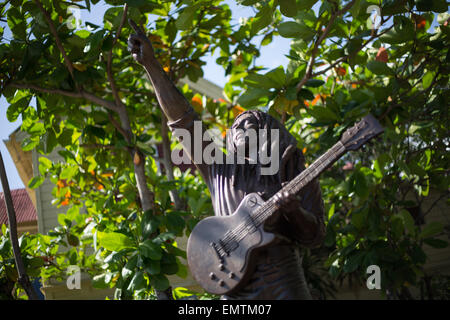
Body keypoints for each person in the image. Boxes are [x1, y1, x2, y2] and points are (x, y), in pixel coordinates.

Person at [128, 20, 326, 299]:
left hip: (283, 283)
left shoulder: (294, 171)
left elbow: (315, 236)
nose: (242, 127)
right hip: (232, 287)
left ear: (272, 134)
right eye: (237, 126)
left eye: (253, 123)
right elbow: (182, 121)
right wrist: (150, 64)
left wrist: (294, 211)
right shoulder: (218, 169)